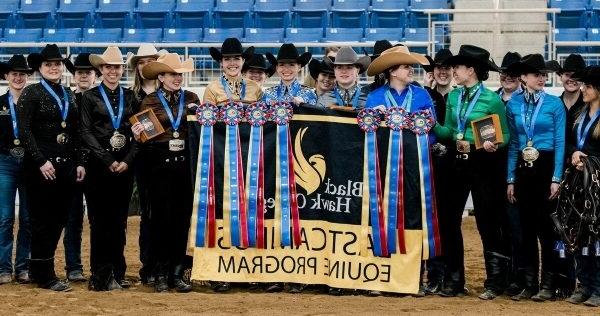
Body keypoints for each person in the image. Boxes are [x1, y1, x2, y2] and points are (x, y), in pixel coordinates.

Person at [433, 45, 510, 300]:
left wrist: (494, 144)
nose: (452, 71)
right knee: (448, 219)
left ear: (471, 70)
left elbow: (506, 135)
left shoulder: (492, 100)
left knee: (487, 221)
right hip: (456, 159)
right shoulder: (453, 97)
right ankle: (454, 279)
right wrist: (429, 123)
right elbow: (448, 132)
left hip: (483, 163)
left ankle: (495, 282)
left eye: (457, 67)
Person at [366, 45, 439, 297]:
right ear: (393, 72)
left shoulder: (422, 96)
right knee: (381, 216)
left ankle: (411, 278)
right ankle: (382, 275)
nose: (411, 70)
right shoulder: (375, 98)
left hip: (414, 168)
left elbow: (431, 130)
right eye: (406, 66)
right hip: (383, 166)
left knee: (413, 218)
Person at [19, 44, 86, 291]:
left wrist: (79, 161)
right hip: (41, 167)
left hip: (66, 166)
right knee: (42, 220)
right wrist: (40, 160)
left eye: (57, 64)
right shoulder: (31, 93)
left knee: (58, 219)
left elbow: (75, 131)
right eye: (49, 64)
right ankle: (45, 272)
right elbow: (24, 131)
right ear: (40, 68)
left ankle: (39, 268)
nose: (54, 67)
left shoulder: (67, 94)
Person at [132, 53, 198, 293]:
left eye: (179, 74)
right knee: (160, 220)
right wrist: (138, 132)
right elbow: (144, 137)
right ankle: (160, 272)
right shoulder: (149, 101)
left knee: (181, 220)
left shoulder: (192, 98)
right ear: (161, 77)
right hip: (158, 166)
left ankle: (177, 271)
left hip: (184, 166)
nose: (177, 78)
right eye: (172, 74)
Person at [504, 54, 566, 302]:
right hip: (522, 166)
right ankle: (529, 284)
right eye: (536, 74)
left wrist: (556, 176)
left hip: (547, 165)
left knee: (547, 228)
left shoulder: (554, 104)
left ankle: (549, 284)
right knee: (525, 229)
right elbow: (513, 144)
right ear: (523, 77)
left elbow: (560, 142)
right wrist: (510, 178)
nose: (541, 78)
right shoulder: (513, 105)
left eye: (543, 74)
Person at [80, 46, 137, 291]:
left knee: (119, 222)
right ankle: (100, 274)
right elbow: (85, 131)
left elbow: (140, 133)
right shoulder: (89, 97)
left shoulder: (131, 97)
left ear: (122, 69)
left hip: (124, 167)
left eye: (117, 67)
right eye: (108, 67)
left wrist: (127, 160)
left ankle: (118, 270)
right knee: (99, 222)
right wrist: (106, 159)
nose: (112, 71)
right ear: (101, 69)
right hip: (98, 168)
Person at [126, 43, 165, 285]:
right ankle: (148, 265)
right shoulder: (131, 97)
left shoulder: (169, 94)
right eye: (140, 62)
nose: (144, 66)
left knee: (164, 212)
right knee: (148, 213)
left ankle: (163, 263)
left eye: (149, 61)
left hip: (164, 158)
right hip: (140, 159)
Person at [61, 52, 99, 284]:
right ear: (74, 75)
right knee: (72, 218)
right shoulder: (66, 100)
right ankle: (73, 266)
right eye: (79, 72)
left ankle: (99, 266)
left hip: (97, 165)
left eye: (88, 72)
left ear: (95, 75)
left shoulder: (101, 100)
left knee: (98, 219)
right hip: (73, 166)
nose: (83, 75)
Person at [566, 66, 600, 307]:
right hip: (579, 184)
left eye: (587, 86)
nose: (582, 89)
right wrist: (574, 154)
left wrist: (590, 161)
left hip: (597, 185)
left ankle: (598, 287)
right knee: (579, 233)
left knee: (597, 235)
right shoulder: (579, 113)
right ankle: (584, 283)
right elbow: (568, 143)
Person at [0, 54, 33, 285]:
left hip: (30, 164)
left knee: (29, 219)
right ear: (6, 76)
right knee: (4, 218)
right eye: (14, 74)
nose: (18, 77)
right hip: (5, 163)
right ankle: (3, 268)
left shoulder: (34, 102)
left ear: (27, 77)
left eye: (22, 74)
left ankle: (23, 267)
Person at [204, 38, 262, 106]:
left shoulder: (255, 87)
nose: (232, 63)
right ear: (221, 62)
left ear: (243, 61)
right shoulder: (212, 88)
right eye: (227, 59)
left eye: (236, 58)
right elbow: (206, 114)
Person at [264, 43, 317, 108]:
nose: (286, 69)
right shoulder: (267, 94)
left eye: (291, 64)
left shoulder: (310, 93)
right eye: (282, 65)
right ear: (277, 67)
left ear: (299, 67)